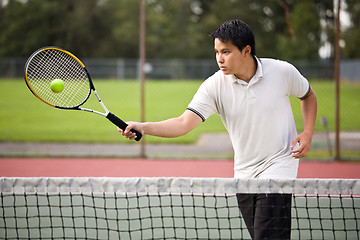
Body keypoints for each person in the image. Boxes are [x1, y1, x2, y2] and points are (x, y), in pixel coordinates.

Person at [119, 19, 317, 239]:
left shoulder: (282, 71)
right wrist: (143, 127)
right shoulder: (214, 86)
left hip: (279, 166)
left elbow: (308, 95)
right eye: (216, 52)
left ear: (246, 50)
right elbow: (184, 123)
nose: (219, 59)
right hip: (244, 174)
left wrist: (307, 133)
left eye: (226, 51)